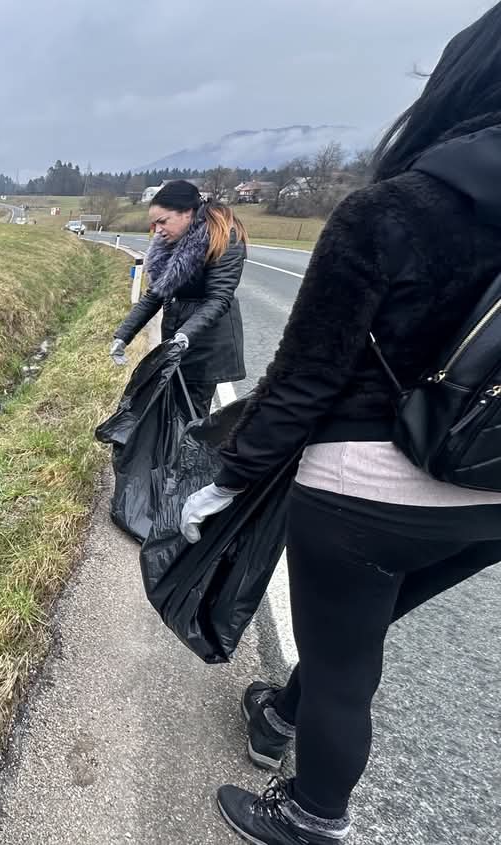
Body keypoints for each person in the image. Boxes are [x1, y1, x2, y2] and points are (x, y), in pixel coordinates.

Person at [179, 6, 501, 842]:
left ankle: (311, 815)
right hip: (489, 501)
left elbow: (304, 380)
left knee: (346, 666)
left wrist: (228, 478)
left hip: (367, 492)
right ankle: (280, 712)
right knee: (355, 627)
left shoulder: (393, 210)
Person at [109, 180, 248, 417]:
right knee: (171, 412)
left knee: (192, 417)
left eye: (163, 221)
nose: (158, 230)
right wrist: (123, 335)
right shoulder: (170, 241)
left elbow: (219, 299)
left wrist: (185, 335)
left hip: (207, 345)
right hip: (177, 339)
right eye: (154, 224)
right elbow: (155, 293)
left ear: (187, 213)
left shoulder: (224, 238)